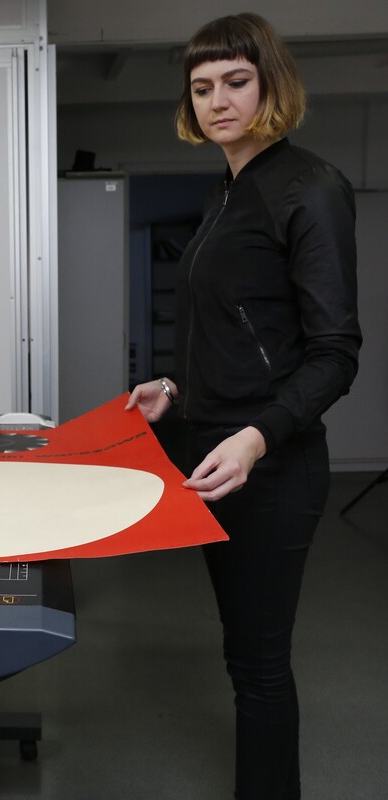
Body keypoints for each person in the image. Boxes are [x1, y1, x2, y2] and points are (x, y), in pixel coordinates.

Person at [125, 12, 361, 800]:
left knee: (259, 668)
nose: (216, 101)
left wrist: (257, 437)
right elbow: (236, 326)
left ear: (270, 86)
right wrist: (174, 386)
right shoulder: (224, 193)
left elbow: (334, 352)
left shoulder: (310, 188)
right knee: (241, 656)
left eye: (235, 81)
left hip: (269, 467)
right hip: (211, 454)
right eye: (201, 88)